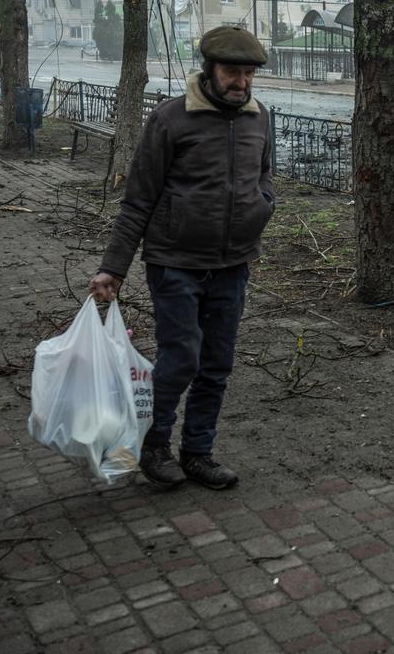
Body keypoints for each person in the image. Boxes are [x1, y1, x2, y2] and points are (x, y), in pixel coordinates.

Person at [88, 26, 275, 490]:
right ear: (209, 69)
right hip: (175, 261)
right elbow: (139, 199)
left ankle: (198, 452)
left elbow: (266, 177)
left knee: (217, 363)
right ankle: (155, 447)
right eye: (232, 71)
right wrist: (113, 267)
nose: (241, 82)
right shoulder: (172, 119)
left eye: (248, 74)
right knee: (181, 357)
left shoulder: (258, 118)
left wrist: (261, 208)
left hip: (233, 263)